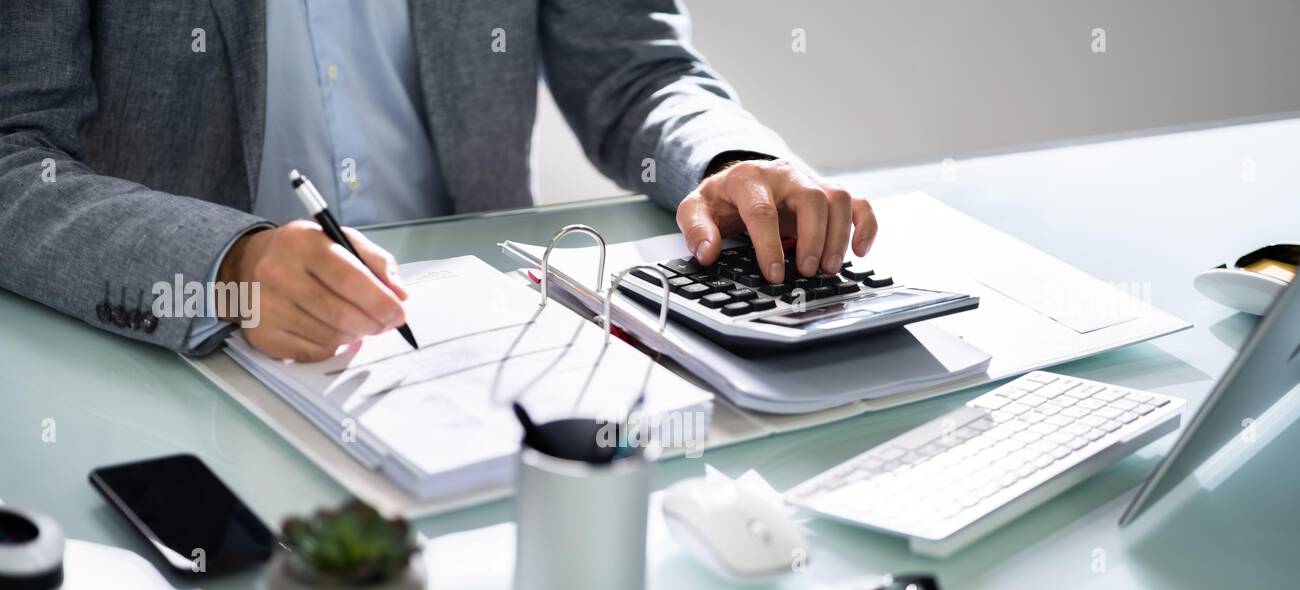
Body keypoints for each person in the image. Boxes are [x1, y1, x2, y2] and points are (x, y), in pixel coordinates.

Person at [0, 0, 876, 362]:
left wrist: (726, 159)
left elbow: (633, 68)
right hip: (189, 358)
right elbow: (14, 153)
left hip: (480, 346)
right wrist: (224, 268)